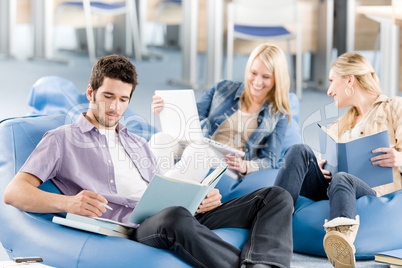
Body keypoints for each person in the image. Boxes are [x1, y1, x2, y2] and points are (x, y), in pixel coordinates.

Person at [4, 54, 293, 268]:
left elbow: (160, 187)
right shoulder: (62, 138)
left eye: (123, 99)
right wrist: (68, 203)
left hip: (175, 214)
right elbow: (14, 192)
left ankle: (261, 265)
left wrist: (200, 198)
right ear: (90, 93)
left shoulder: (135, 141)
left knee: (275, 197)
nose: (115, 107)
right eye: (107, 96)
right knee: (173, 217)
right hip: (134, 225)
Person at [274, 52, 402, 268]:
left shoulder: (393, 107)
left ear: (350, 80)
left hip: (372, 193)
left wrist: (399, 158)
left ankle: (340, 239)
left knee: (345, 177)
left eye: (333, 81)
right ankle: (271, 219)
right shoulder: (338, 125)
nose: (329, 90)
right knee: (299, 150)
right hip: (333, 189)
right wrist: (323, 168)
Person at [150, 42, 292, 182]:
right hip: (202, 146)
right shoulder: (223, 89)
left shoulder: (279, 114)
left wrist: (245, 166)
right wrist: (166, 111)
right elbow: (192, 115)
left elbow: (271, 159)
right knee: (160, 139)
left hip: (229, 164)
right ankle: (156, 194)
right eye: (253, 73)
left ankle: (155, 194)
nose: (257, 81)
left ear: (277, 79)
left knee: (198, 150)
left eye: (266, 77)